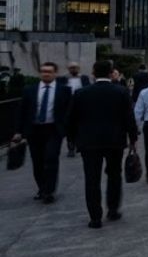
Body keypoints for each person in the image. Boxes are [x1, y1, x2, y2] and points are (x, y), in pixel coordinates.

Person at [66, 60, 138, 228]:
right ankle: (112, 209)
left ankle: (95, 217)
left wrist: (74, 139)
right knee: (114, 175)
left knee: (92, 179)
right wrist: (132, 137)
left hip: (89, 142)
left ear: (93, 73)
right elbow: (129, 118)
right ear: (110, 72)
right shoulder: (121, 92)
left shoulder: (81, 93)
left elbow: (71, 119)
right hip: (115, 140)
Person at [15, 61, 72, 203]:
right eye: (43, 71)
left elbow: (68, 111)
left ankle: (49, 191)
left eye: (49, 71)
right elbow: (22, 111)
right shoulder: (30, 90)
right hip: (34, 130)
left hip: (53, 130)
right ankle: (42, 187)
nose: (46, 74)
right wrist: (18, 131)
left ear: (55, 73)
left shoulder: (63, 90)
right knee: (37, 161)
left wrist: (65, 128)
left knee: (51, 158)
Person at [60, 62, 92, 157]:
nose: (73, 69)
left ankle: (80, 144)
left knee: (81, 127)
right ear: (68, 69)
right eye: (71, 68)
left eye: (75, 68)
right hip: (68, 106)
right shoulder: (63, 79)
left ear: (78, 68)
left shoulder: (84, 78)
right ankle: (71, 146)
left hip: (81, 106)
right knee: (70, 128)